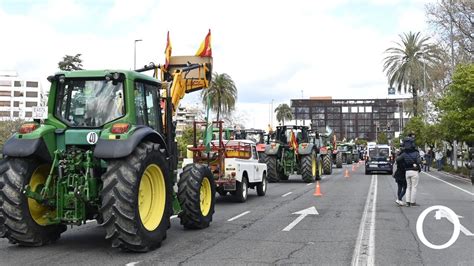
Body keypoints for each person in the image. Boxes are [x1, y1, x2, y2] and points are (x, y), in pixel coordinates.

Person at [399, 137, 422, 207]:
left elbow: (398, 159)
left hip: (407, 171)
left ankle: (407, 202)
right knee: (414, 187)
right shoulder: (416, 153)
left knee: (408, 187)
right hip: (414, 171)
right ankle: (413, 202)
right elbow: (419, 161)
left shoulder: (404, 153)